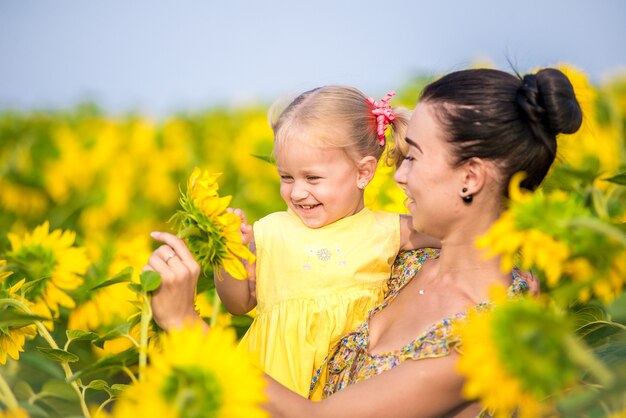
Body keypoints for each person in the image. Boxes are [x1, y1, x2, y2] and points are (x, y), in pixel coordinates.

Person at [146, 66, 581, 417]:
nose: (399, 174)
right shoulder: (408, 263)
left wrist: (186, 325)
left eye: (412, 156)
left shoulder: (486, 339)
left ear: (470, 178)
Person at [154, 85, 440, 396]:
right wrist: (228, 251)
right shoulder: (270, 231)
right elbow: (237, 303)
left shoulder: (387, 230)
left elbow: (456, 232)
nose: (298, 192)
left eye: (312, 178)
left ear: (363, 172)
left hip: (343, 390)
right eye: (286, 177)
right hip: (271, 384)